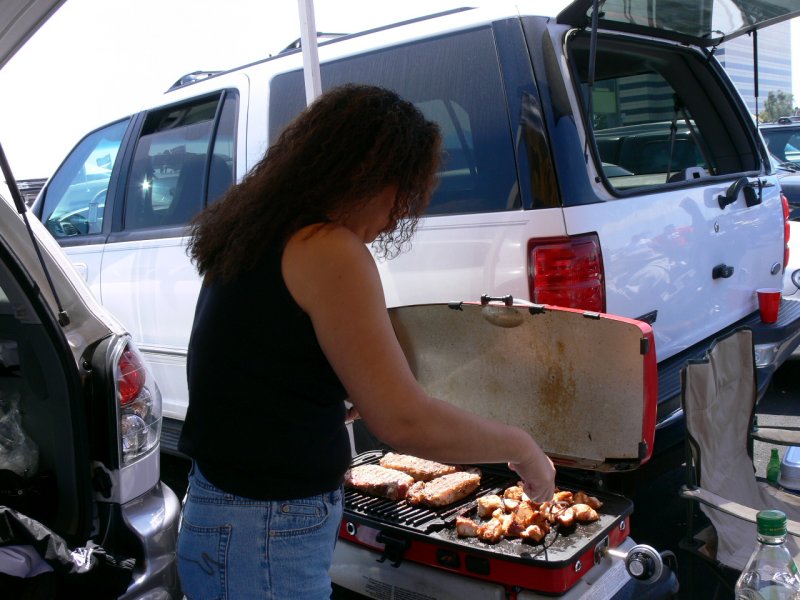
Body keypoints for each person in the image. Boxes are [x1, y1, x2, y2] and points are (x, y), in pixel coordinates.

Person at [175, 83, 555, 600]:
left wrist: (320, 398)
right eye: (402, 189)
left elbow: (255, 368)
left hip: (226, 515)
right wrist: (522, 447)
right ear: (361, 172)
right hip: (262, 532)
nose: (402, 212)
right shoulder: (327, 247)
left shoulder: (261, 229)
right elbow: (404, 422)